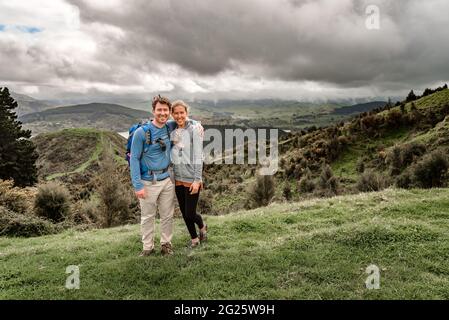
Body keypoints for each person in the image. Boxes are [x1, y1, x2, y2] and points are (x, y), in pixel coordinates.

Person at [130, 95, 175, 256]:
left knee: (167, 215)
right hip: (147, 182)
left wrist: (198, 125)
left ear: (169, 112)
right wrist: (138, 185)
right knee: (148, 216)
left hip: (167, 180)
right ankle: (147, 247)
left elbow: (186, 120)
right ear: (153, 111)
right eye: (159, 110)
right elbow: (134, 159)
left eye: (165, 110)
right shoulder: (141, 133)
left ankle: (166, 244)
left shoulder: (170, 127)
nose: (162, 113)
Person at [170, 100, 207, 249]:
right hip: (177, 178)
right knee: (184, 213)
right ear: (172, 114)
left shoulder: (194, 130)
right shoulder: (172, 130)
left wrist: (197, 180)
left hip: (192, 178)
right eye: (176, 113)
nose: (179, 116)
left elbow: (199, 156)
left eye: (182, 113)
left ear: (186, 113)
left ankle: (202, 225)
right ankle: (194, 239)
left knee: (190, 213)